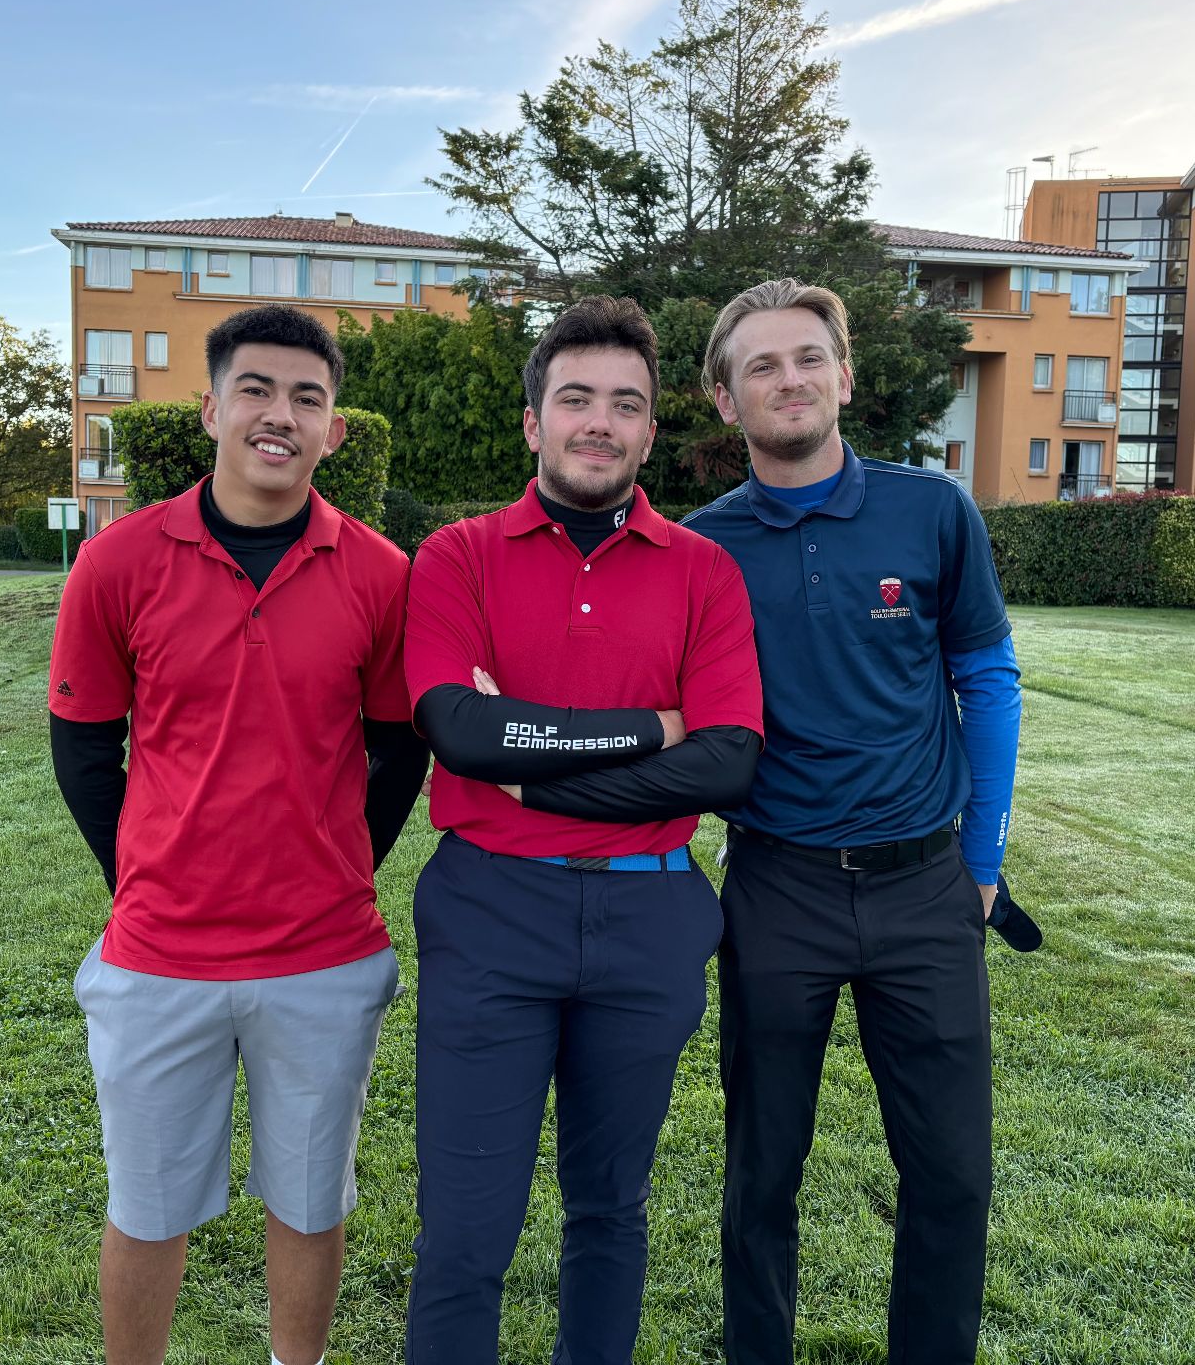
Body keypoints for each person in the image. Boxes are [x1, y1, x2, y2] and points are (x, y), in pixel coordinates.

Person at [48, 304, 429, 1365]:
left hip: (324, 957)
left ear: (333, 432)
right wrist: (145, 874)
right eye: (255, 390)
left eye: (308, 398)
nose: (280, 415)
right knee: (147, 1207)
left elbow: (399, 752)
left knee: (310, 1202)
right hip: (158, 957)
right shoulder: (118, 563)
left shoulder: (381, 574)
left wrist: (335, 865)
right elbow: (84, 751)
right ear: (211, 410)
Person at [399, 294, 765, 1365]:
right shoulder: (457, 556)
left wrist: (536, 777)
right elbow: (461, 730)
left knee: (610, 1208)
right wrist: (652, 730)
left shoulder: (703, 569)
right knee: (465, 1232)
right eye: (575, 400)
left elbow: (726, 760)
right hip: (490, 912)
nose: (599, 422)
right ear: (534, 421)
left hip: (650, 918)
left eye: (625, 405)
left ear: (650, 433)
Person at [682, 279, 1028, 1365]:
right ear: (727, 400)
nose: (788, 379)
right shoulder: (699, 549)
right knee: (761, 1171)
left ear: (843, 375)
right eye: (761, 366)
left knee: (952, 1174)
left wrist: (982, 861)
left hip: (926, 889)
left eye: (807, 358)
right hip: (777, 888)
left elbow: (988, 677)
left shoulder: (932, 512)